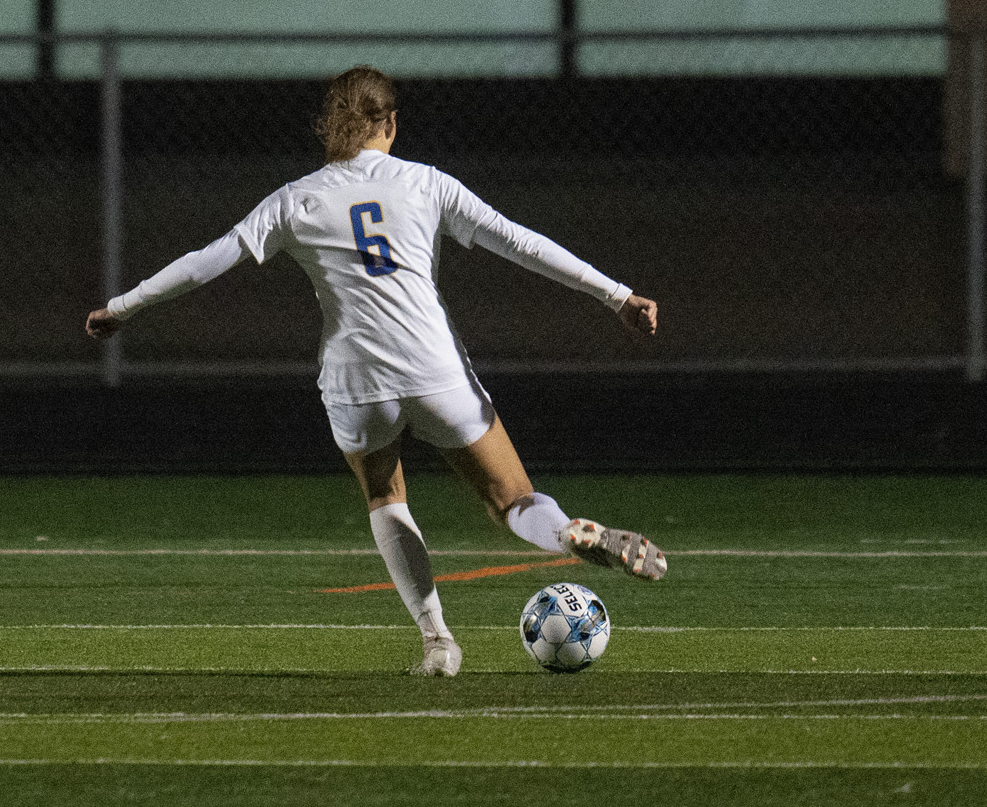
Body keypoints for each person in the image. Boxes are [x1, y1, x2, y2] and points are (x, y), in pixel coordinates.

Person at [85, 65, 668, 678]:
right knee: (513, 499)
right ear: (390, 123)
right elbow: (520, 242)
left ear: (331, 129)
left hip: (356, 380)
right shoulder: (425, 184)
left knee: (386, 497)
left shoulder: (297, 199)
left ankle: (438, 643)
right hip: (434, 367)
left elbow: (206, 262)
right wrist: (616, 295)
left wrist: (122, 308)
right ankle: (566, 534)